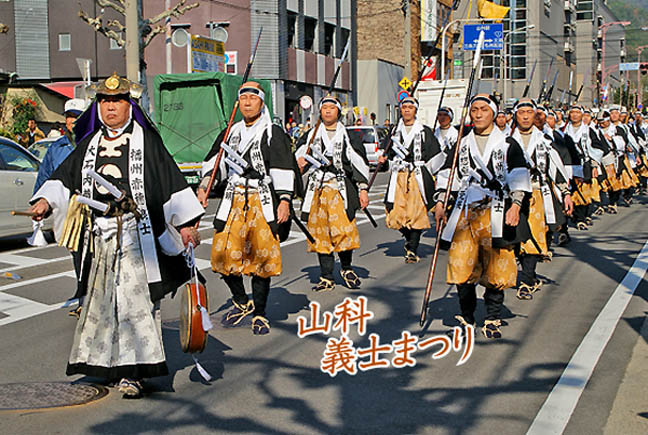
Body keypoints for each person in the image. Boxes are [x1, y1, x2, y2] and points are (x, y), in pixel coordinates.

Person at [28, 73, 204, 398]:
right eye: (105, 102)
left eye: (117, 101)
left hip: (137, 239)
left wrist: (186, 224)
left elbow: (171, 183)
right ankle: (101, 366)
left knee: (134, 307)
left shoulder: (146, 142)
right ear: (98, 107)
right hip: (100, 237)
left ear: (129, 105)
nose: (110, 108)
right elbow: (64, 178)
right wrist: (43, 200)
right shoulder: (89, 144)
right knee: (100, 303)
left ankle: (134, 373)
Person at [198, 82, 296, 335]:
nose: (248, 103)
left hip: (262, 200)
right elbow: (214, 162)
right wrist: (205, 185)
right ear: (238, 104)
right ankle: (242, 300)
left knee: (261, 260)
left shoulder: (272, 132)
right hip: (234, 199)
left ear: (262, 103)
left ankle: (260, 313)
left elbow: (284, 166)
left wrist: (284, 200)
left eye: (253, 98)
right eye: (243, 99)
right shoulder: (230, 131)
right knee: (222, 255)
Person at [434, 94, 531, 339]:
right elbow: (448, 174)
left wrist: (516, 205)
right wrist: (439, 202)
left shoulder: (508, 144)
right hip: (466, 210)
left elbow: (520, 175)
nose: (478, 114)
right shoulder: (461, 144)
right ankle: (467, 314)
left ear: (493, 114)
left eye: (483, 110)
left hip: (496, 209)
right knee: (460, 264)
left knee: (495, 267)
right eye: (474, 109)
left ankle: (492, 316)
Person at [295, 96, 370, 292]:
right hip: (318, 190)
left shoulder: (347, 136)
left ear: (338, 112)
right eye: (324, 108)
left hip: (340, 188)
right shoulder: (311, 135)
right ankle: (326, 275)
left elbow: (359, 162)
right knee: (321, 233)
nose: (328, 111)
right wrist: (300, 161)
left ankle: (346, 268)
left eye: (332, 108)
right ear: (320, 112)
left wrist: (363, 189)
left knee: (344, 231)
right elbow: (298, 157)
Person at [509, 98, 573, 300]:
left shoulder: (544, 142)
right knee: (512, 236)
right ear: (515, 115)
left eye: (530, 112)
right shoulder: (504, 140)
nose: (526, 116)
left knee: (533, 235)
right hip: (509, 196)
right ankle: (528, 273)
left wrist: (565, 193)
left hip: (536, 193)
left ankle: (527, 279)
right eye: (522, 112)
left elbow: (556, 169)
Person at [33, 98, 88, 318]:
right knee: (77, 252)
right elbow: (46, 178)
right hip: (67, 209)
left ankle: (87, 294)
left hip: (92, 208)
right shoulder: (57, 148)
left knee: (92, 253)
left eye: (77, 117)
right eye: (69, 117)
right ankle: (83, 290)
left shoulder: (93, 142)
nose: (72, 121)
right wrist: (40, 202)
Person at [378, 96, 442, 263]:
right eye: (404, 107)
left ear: (415, 110)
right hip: (398, 176)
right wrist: (383, 160)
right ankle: (408, 239)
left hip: (417, 175)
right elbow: (387, 153)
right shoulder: (393, 132)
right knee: (395, 213)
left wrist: (436, 178)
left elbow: (436, 157)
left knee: (416, 213)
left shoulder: (424, 131)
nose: (406, 110)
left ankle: (412, 247)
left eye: (410, 107)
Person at [563, 105, 605, 231]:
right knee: (571, 191)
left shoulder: (589, 131)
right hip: (568, 164)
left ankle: (581, 217)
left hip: (584, 163)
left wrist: (594, 165)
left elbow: (597, 148)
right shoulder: (563, 130)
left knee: (583, 192)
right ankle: (574, 216)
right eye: (572, 112)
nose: (575, 115)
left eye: (577, 112)